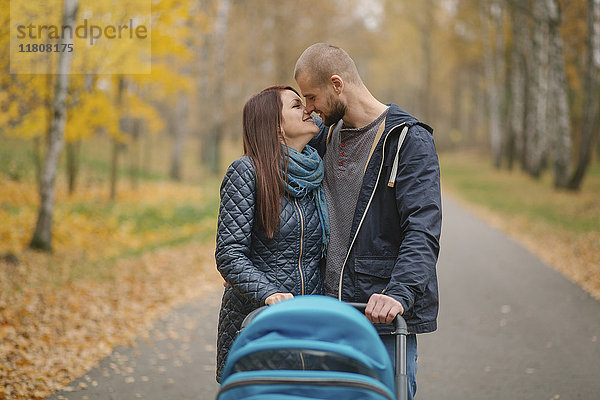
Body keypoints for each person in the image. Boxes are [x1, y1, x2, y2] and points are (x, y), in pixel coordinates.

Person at [294, 43, 442, 400]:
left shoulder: (407, 140)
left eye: (311, 96)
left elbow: (422, 229)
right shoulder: (323, 137)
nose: (309, 108)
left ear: (337, 84)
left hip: (380, 321)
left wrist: (398, 293)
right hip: (325, 317)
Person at [214, 85, 328, 382]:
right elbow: (229, 253)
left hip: (308, 322)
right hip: (259, 321)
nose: (308, 110)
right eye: (295, 105)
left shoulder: (316, 175)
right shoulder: (246, 172)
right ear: (276, 127)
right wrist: (269, 294)